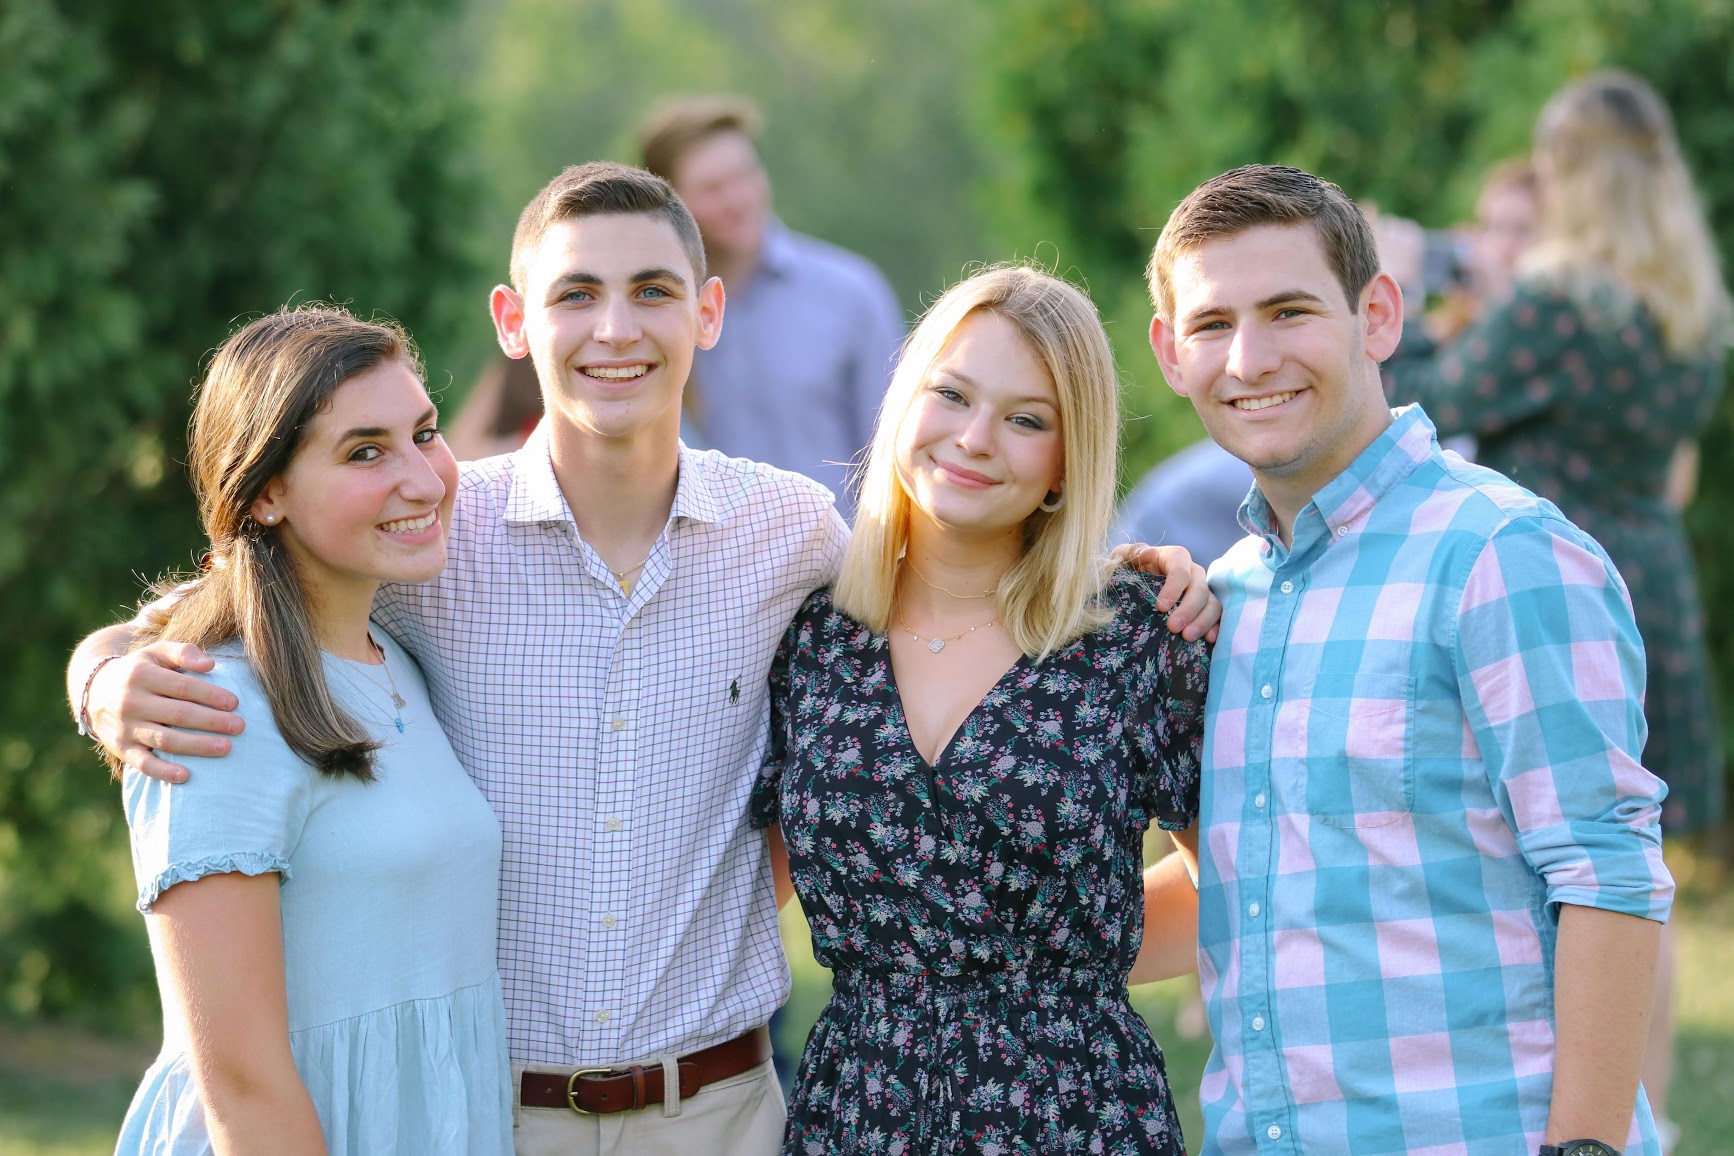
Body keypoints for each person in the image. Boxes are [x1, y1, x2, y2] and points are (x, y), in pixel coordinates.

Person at [69, 163, 1218, 1156]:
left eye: (653, 291)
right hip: (494, 1114)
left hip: (723, 1113)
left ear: (707, 312)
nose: (615, 329)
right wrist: (105, 671)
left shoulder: (793, 544)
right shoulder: (430, 534)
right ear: (516, 323)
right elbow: (235, 598)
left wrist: (1129, 574)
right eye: (577, 294)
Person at [1148, 163, 1673, 1155]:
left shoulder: (1500, 554)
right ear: (1172, 354)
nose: (1250, 358)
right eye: (1214, 325)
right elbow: (1248, 876)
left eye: (1290, 310)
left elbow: (1606, 873)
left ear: (1378, 316)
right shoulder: (1228, 599)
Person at [752, 265, 1211, 1153]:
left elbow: (1228, 886)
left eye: (1026, 419)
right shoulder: (809, 638)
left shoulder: (1134, 635)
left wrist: (1054, 970)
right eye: (951, 394)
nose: (973, 438)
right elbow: (745, 896)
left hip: (1073, 1114)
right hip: (861, 1111)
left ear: (1064, 464)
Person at [1382, 73, 1731, 1153]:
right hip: (1653, 582)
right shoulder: (1694, 306)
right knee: (1635, 866)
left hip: (1544, 581)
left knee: (1541, 860)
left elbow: (1429, 404)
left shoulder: (1555, 303)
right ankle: (1649, 1116)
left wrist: (1397, 286)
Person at [101, 306, 511, 1154]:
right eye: (366, 451)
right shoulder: (213, 704)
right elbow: (241, 1081)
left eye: (424, 433)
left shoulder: (398, 654)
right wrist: (100, 673)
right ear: (266, 492)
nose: (425, 479)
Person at [639, 95, 905, 519]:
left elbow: (894, 454)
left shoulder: (853, 293)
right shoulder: (647, 316)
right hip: (703, 574)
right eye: (712, 187)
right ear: (672, 206)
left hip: (839, 567)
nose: (737, 199)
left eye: (744, 175)